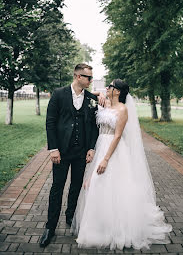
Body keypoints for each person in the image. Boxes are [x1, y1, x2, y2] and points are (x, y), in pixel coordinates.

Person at [71, 79, 172, 250]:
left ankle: (117, 229)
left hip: (113, 150)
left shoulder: (122, 109)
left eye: (110, 87)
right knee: (96, 185)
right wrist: (100, 94)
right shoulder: (106, 104)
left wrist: (105, 159)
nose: (107, 88)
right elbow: (89, 95)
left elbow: (118, 136)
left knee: (115, 187)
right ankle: (99, 226)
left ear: (117, 91)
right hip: (100, 145)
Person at [40, 63, 104, 248]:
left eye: (92, 78)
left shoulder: (91, 98)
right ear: (78, 77)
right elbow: (50, 122)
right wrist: (53, 149)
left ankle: (70, 217)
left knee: (76, 186)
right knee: (57, 187)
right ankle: (50, 227)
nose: (91, 81)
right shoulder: (59, 94)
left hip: (81, 152)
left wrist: (91, 148)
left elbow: (93, 126)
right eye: (89, 78)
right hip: (61, 151)